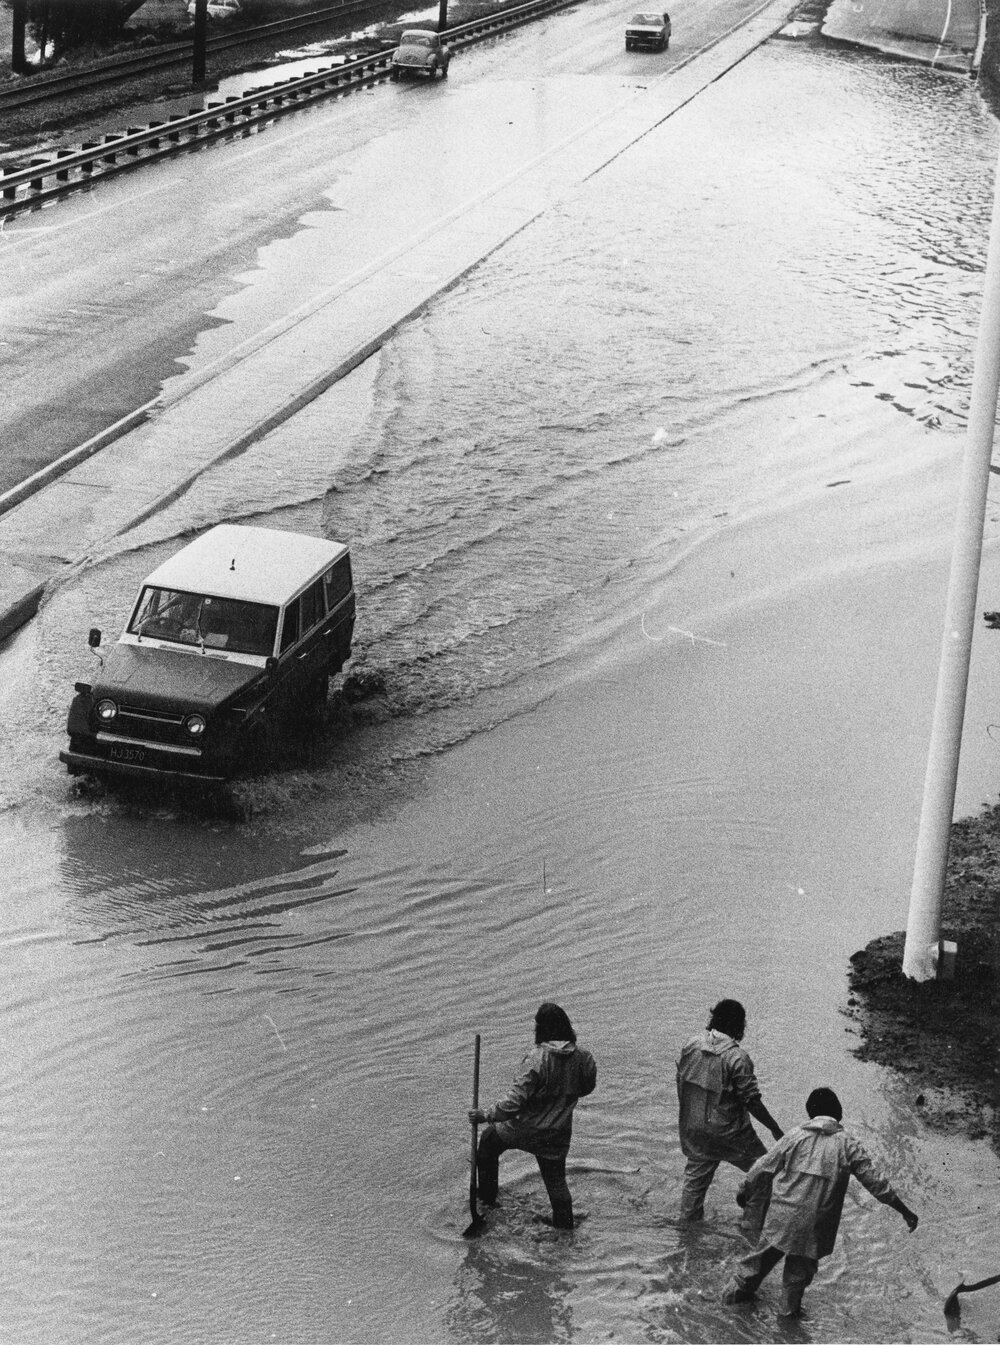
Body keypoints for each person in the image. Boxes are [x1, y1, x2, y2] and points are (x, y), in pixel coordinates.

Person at [722, 1087, 919, 1317]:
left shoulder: (795, 1136)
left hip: (783, 1217)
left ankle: (726, 1309)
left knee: (753, 1268)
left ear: (810, 1114)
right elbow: (876, 1184)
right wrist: (905, 1211)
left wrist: (744, 1190)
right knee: (795, 1283)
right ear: (838, 1113)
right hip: (815, 1226)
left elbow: (763, 1167)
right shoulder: (848, 1144)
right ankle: (787, 1326)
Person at [468, 1002, 597, 1230]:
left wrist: (485, 1114)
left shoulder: (537, 1059)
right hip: (557, 1132)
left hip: (525, 1128)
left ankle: (487, 1203)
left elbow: (513, 1104)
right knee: (557, 1184)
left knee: (488, 1142)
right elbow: (587, 1088)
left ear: (540, 1029)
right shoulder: (584, 1058)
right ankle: (565, 1232)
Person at [676, 998, 783, 1237]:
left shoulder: (691, 1045)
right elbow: (752, 1101)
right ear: (739, 1025)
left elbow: (681, 1083)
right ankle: (749, 1230)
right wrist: (775, 1129)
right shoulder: (737, 1057)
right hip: (730, 1133)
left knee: (693, 1188)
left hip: (696, 1129)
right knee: (764, 1172)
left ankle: (687, 1241)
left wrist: (688, 1118)